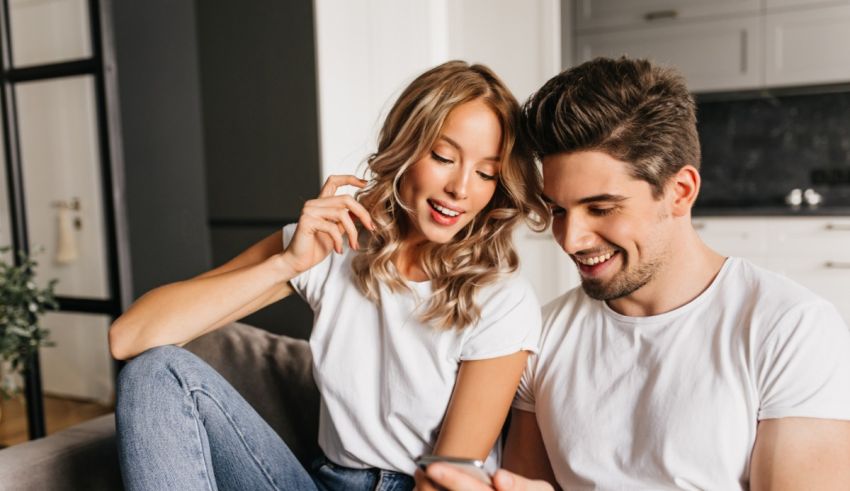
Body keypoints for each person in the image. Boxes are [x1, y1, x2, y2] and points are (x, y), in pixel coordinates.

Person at [109, 60, 550, 491]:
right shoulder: (331, 244)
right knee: (154, 371)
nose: (461, 188)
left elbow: (446, 480)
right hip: (321, 479)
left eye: (486, 173)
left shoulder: (502, 299)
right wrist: (287, 264)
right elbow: (129, 337)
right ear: (405, 148)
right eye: (443, 157)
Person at [423, 57, 850, 490]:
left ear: (680, 191)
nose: (571, 240)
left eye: (601, 208)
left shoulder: (789, 329)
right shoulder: (541, 336)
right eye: (558, 211)